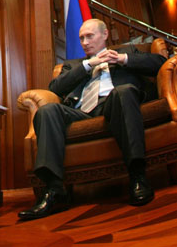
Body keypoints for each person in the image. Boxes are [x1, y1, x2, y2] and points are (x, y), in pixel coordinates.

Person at [18, 18, 166, 221]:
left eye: (90, 36)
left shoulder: (128, 53)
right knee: (47, 111)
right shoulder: (73, 65)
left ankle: (137, 176)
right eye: (81, 38)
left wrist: (121, 59)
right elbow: (54, 89)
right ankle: (53, 190)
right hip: (82, 112)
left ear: (105, 35)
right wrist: (89, 65)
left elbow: (160, 64)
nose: (85, 42)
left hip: (114, 104)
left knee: (123, 92)